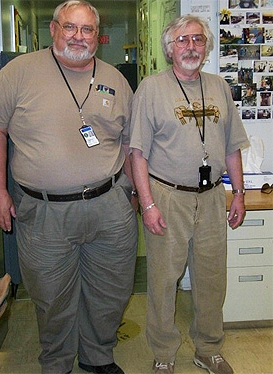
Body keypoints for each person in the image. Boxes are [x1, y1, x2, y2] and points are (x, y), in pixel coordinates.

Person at [0, 1, 138, 373]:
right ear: (53, 29)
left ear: (97, 36)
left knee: (111, 291)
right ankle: (57, 361)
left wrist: (133, 192)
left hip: (110, 204)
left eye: (86, 30)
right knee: (51, 295)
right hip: (44, 209)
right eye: (70, 27)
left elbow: (130, 141)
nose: (77, 37)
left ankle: (97, 356)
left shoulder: (115, 79)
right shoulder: (19, 72)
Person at [130, 15, 249, 374]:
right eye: (183, 40)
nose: (191, 46)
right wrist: (147, 203)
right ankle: (164, 354)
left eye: (197, 39)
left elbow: (232, 147)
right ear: (170, 48)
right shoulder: (151, 88)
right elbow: (137, 153)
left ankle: (208, 348)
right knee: (164, 280)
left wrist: (239, 194)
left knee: (212, 278)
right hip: (167, 197)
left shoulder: (219, 87)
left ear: (207, 45)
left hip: (212, 196)